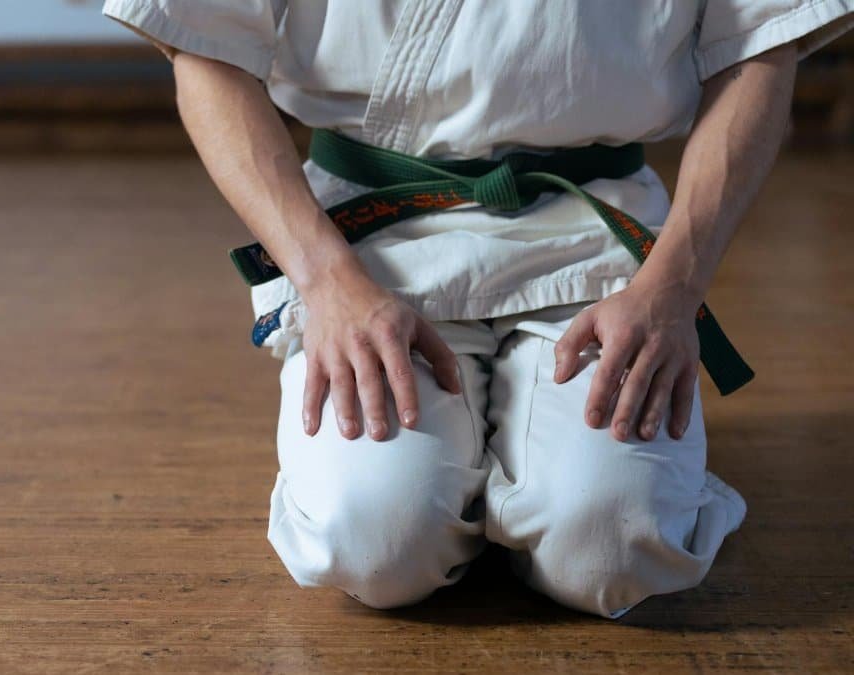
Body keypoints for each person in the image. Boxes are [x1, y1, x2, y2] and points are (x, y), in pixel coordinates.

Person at [102, 0, 854, 618]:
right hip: (369, 243)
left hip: (597, 239)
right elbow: (206, 52)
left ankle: (525, 491)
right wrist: (326, 281)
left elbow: (760, 44)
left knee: (615, 546)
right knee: (373, 538)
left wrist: (674, 284)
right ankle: (476, 489)